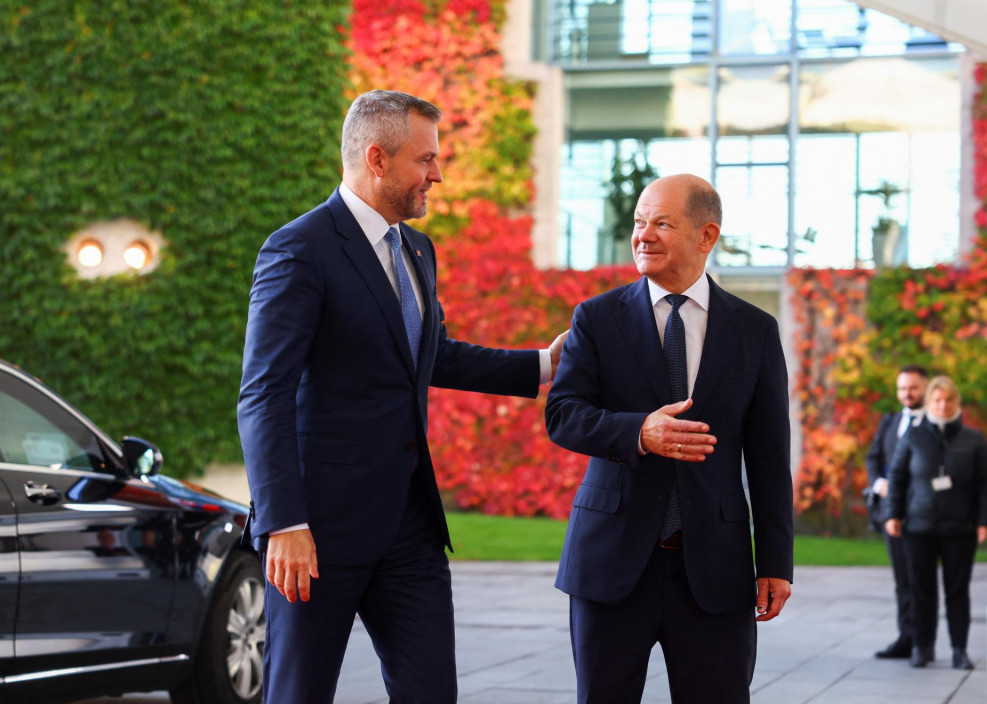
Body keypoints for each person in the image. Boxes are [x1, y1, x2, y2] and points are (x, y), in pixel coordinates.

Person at [237, 89, 566, 703]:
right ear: (377, 159)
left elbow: (430, 353)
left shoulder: (416, 248)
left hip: (410, 526)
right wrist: (283, 521)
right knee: (299, 692)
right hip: (317, 532)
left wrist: (543, 365)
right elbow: (264, 393)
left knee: (432, 692)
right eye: (426, 160)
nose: (437, 174)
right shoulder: (299, 249)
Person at [545, 174, 793, 704]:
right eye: (639, 223)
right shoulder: (596, 318)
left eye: (661, 223)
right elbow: (562, 415)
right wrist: (638, 431)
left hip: (714, 571)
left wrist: (775, 561)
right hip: (610, 566)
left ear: (707, 236)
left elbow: (770, 457)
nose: (643, 235)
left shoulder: (755, 330)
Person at [885, 376, 987, 670]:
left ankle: (959, 650)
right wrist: (892, 515)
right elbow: (897, 477)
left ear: (957, 403)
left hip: (960, 529)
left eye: (949, 400)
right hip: (918, 528)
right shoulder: (913, 436)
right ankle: (922, 647)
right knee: (921, 590)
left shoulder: (974, 439)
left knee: (957, 590)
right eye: (937, 400)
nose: (943, 405)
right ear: (929, 402)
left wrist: (986, 520)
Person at [865, 364, 928, 659]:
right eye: (903, 388)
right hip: (891, 515)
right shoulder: (889, 422)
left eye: (913, 388)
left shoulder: (935, 424)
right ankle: (906, 637)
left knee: (920, 580)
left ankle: (921, 643)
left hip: (922, 515)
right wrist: (879, 484)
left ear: (925, 388)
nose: (907, 393)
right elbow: (873, 459)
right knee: (902, 580)